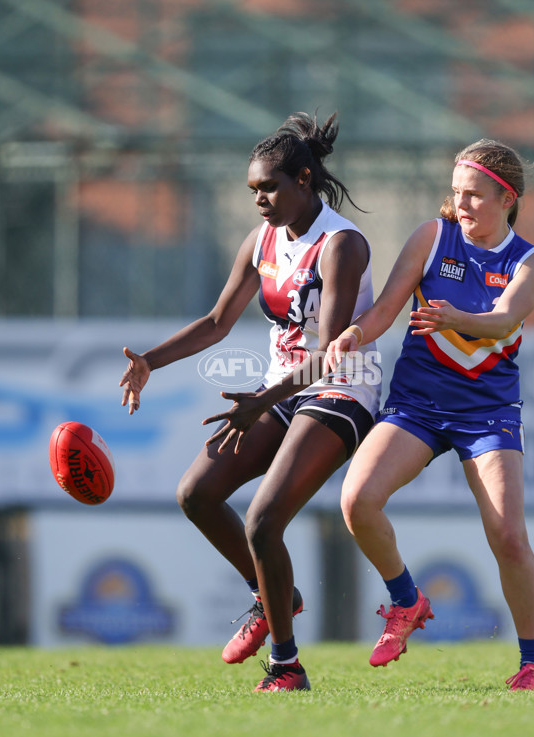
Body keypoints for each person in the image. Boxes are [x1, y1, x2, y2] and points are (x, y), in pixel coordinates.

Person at [119, 112, 381, 692]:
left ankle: (286, 668)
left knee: (263, 520)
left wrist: (261, 401)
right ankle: (275, 597)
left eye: (270, 187)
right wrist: (148, 363)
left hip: (341, 390)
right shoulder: (260, 240)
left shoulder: (341, 245)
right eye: (253, 190)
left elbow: (330, 355)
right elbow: (216, 323)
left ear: (305, 180)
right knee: (197, 493)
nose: (259, 199)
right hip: (279, 392)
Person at [324, 139, 534, 691]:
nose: (461, 204)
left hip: (487, 413)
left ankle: (532, 666)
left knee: (510, 538)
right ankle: (407, 601)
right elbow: (385, 308)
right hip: (418, 405)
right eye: (456, 193)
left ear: (507, 198)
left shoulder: (529, 262)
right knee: (356, 500)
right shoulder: (433, 236)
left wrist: (457, 318)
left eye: (473, 195)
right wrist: (354, 333)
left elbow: (501, 323)